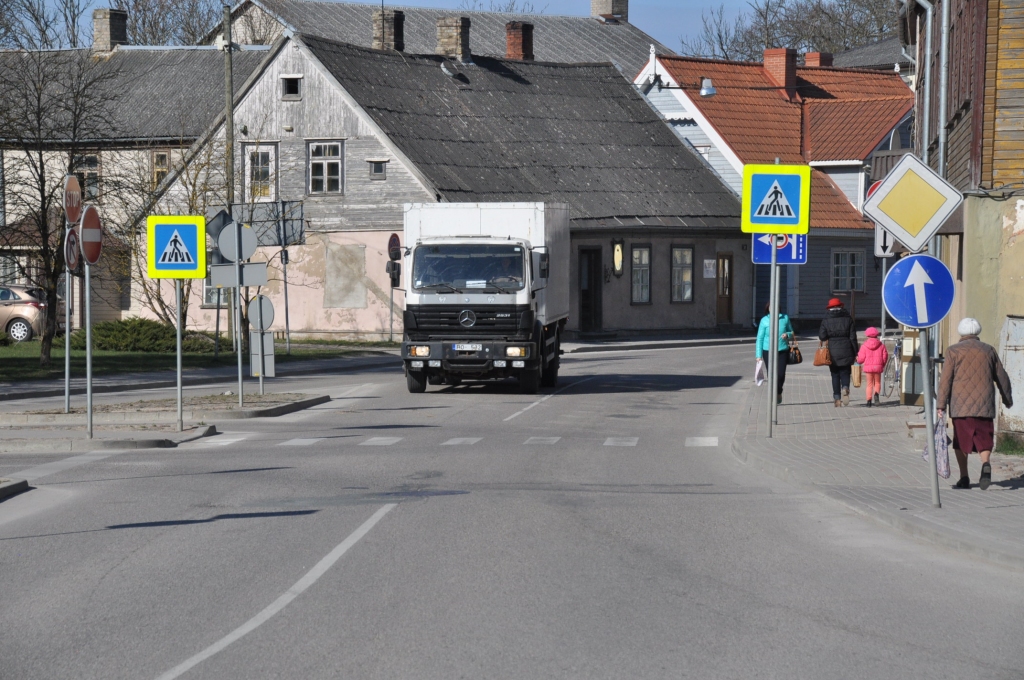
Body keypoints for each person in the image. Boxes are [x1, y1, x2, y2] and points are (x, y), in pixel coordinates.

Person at [937, 318, 1013, 490]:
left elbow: (945, 380)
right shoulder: (989, 350)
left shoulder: (953, 351)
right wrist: (1007, 399)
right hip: (984, 405)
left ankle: (964, 477)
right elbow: (1002, 376)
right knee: (984, 439)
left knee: (960, 441)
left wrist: (940, 405)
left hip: (960, 406)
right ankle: (985, 463)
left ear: (961, 332)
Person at [818, 298, 859, 407]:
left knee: (835, 374)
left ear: (830, 308)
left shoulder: (826, 319)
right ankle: (845, 387)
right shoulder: (848, 318)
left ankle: (837, 398)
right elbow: (853, 338)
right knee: (845, 372)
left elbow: (822, 336)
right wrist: (856, 352)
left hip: (832, 351)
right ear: (841, 306)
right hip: (847, 349)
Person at [756, 302, 795, 404]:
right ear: (768, 308)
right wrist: (758, 355)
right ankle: (773, 396)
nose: (773, 309)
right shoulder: (764, 320)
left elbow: (792, 333)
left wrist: (787, 334)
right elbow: (760, 338)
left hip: (782, 350)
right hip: (767, 351)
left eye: (775, 307)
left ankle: (779, 391)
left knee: (781, 374)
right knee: (772, 375)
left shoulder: (784, 318)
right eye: (771, 307)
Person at [855, 327, 888, 407]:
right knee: (877, 382)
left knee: (869, 384)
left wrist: (857, 360)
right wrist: (882, 364)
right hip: (878, 367)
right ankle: (876, 394)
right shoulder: (881, 345)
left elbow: (861, 358)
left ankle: (869, 401)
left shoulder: (864, 346)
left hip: (868, 369)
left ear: (867, 335)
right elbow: (885, 356)